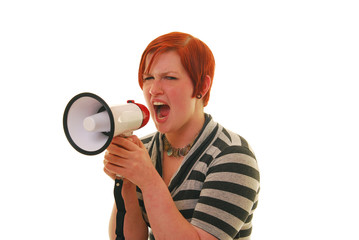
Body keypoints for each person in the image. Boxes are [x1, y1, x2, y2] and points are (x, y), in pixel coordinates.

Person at [103, 32, 260, 240]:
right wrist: (128, 183)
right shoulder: (145, 148)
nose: (153, 90)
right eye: (148, 78)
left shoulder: (233, 156)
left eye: (169, 77)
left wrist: (148, 179)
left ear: (202, 87)